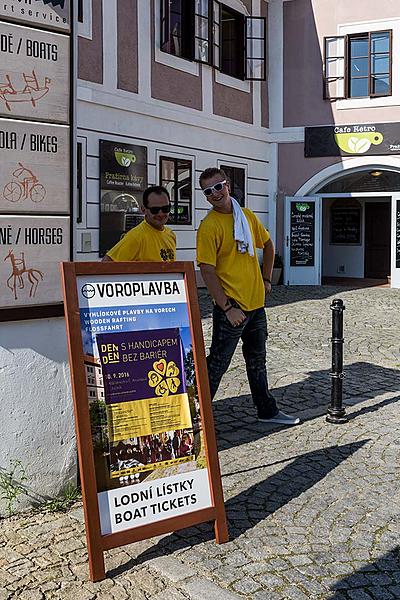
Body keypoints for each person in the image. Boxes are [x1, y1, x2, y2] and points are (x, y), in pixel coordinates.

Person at [196, 167, 300, 426]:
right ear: (206, 197)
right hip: (232, 309)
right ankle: (197, 419)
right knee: (217, 365)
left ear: (227, 185)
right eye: (208, 191)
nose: (215, 194)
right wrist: (227, 307)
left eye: (218, 187)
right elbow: (207, 270)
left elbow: (268, 244)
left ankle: (267, 410)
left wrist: (266, 278)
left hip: (256, 306)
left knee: (257, 362)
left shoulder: (247, 217)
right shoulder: (209, 227)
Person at [102, 185, 176, 262]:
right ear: (144, 209)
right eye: (155, 210)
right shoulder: (136, 237)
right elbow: (106, 263)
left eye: (165, 209)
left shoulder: (171, 235)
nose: (161, 214)